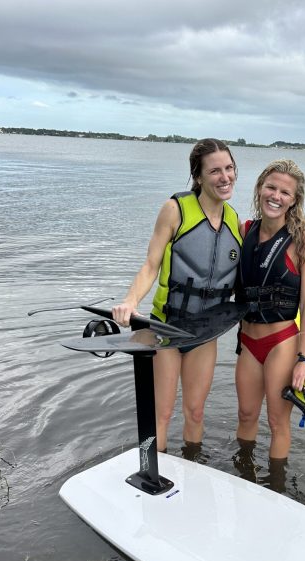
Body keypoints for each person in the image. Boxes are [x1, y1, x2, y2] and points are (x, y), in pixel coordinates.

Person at [112, 138, 241, 452]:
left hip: (204, 333)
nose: (225, 177)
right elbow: (150, 265)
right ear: (198, 176)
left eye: (229, 168)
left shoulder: (235, 221)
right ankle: (153, 474)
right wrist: (131, 302)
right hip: (166, 329)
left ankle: (190, 472)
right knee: (163, 413)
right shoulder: (175, 209)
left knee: (195, 412)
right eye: (215, 171)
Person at [235, 159, 305, 461]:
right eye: (271, 187)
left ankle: (276, 487)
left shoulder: (304, 241)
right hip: (248, 341)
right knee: (246, 414)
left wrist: (304, 359)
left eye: (285, 192)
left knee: (276, 421)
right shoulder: (244, 231)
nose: (276, 196)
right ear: (259, 189)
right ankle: (243, 473)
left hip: (281, 343)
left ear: (294, 200)